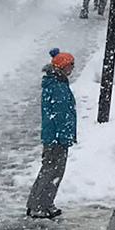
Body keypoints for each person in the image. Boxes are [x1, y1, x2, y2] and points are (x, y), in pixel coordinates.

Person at [26, 49, 78, 219]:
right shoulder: (58, 87)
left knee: (50, 170)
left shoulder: (55, 83)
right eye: (71, 64)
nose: (73, 68)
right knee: (52, 172)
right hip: (56, 138)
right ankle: (40, 206)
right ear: (63, 66)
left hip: (54, 136)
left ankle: (40, 203)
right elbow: (61, 115)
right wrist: (65, 137)